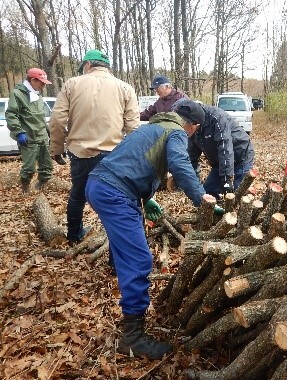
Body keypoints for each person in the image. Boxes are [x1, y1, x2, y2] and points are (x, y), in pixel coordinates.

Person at [85, 108, 208, 360]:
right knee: (139, 260)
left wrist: (147, 197)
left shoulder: (152, 127)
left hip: (100, 184)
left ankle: (120, 274)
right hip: (114, 192)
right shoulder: (176, 132)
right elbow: (179, 163)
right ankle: (132, 337)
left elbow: (136, 161)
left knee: (129, 246)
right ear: (192, 126)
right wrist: (201, 196)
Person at [49, 49, 140, 244]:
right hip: (113, 155)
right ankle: (115, 241)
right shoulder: (125, 88)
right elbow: (133, 127)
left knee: (78, 194)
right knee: (116, 197)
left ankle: (74, 235)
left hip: (80, 152)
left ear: (88, 65)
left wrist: (56, 149)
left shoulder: (72, 84)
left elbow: (56, 120)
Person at [171, 98, 255, 200]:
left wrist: (226, 181)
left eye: (183, 127)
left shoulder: (217, 118)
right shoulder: (192, 125)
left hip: (240, 156)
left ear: (194, 124)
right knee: (208, 194)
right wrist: (187, 180)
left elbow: (225, 149)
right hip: (219, 163)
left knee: (235, 196)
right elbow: (191, 156)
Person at [6, 68, 53, 193]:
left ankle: (41, 186)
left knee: (47, 167)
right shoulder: (17, 94)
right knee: (29, 168)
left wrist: (48, 131)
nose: (43, 85)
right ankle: (25, 188)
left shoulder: (37, 94)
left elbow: (40, 116)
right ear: (33, 80)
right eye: (41, 82)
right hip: (28, 138)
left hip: (42, 136)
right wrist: (19, 132)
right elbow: (11, 115)